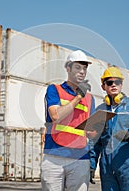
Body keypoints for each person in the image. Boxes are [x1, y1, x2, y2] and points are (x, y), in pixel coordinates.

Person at [89, 66, 129, 191]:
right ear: (103, 86)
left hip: (128, 166)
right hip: (107, 168)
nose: (114, 85)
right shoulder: (100, 111)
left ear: (121, 84)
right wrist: (91, 165)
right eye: (109, 82)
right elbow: (94, 141)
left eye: (117, 82)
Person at [41, 50, 96, 191]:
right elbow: (56, 116)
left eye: (84, 68)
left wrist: (98, 127)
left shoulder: (90, 98)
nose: (82, 71)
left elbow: (91, 134)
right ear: (68, 68)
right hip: (54, 155)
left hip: (80, 157)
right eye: (78, 67)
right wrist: (78, 97)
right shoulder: (54, 90)